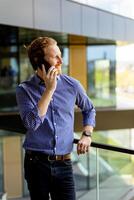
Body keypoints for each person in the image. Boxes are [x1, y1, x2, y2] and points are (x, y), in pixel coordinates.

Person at [16, 37, 96, 200]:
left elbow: (89, 108)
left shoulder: (72, 85)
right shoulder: (24, 90)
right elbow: (31, 124)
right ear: (39, 61)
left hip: (65, 163)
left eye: (60, 55)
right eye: (55, 57)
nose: (61, 61)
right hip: (36, 164)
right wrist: (49, 90)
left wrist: (87, 134)